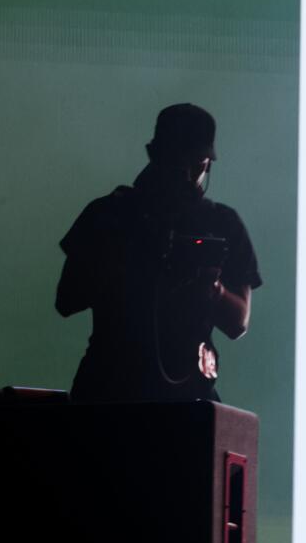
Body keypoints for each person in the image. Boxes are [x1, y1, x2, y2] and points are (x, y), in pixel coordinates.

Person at [55, 104, 261, 403]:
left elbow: (237, 323)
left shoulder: (222, 223)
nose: (187, 174)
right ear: (155, 154)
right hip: (110, 385)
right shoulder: (110, 214)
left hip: (187, 392)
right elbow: (67, 299)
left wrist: (209, 285)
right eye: (178, 161)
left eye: (197, 163)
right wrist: (130, 253)